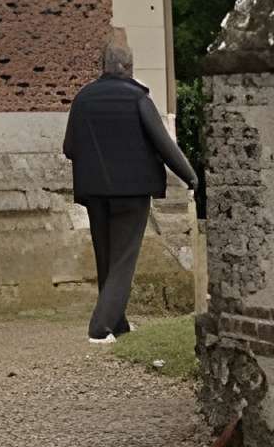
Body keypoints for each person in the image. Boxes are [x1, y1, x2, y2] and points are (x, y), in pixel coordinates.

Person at [61, 39, 199, 344]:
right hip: (132, 192)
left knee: (106, 258)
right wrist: (190, 176)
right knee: (123, 259)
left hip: (94, 191)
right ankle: (100, 327)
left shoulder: (82, 99)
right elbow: (165, 146)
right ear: (127, 67)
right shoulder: (138, 99)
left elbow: (69, 148)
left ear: (103, 67)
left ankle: (117, 323)